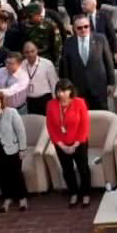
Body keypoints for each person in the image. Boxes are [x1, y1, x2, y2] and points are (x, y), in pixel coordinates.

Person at [45, 79, 92, 208]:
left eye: (64, 91)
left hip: (79, 143)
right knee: (67, 170)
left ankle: (86, 193)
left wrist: (75, 145)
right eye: (59, 91)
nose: (61, 94)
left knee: (83, 168)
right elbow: (50, 127)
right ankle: (73, 193)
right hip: (61, 144)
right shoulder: (51, 104)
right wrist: (62, 146)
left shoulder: (79, 103)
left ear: (71, 90)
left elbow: (84, 126)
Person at [60, 15, 115, 110]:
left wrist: (111, 83)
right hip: (78, 87)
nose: (83, 29)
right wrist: (67, 88)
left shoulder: (100, 39)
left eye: (86, 26)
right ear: (74, 28)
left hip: (98, 86)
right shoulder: (68, 43)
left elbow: (108, 61)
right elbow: (66, 67)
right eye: (79, 28)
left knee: (101, 113)